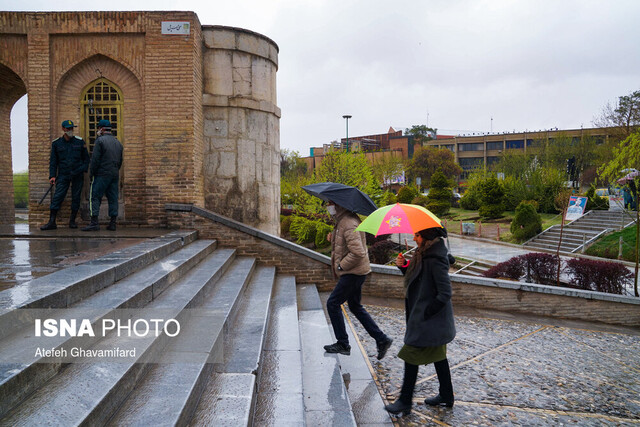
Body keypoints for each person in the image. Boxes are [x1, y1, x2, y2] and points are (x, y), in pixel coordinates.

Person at [385, 226, 456, 416]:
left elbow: (445, 293)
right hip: (429, 319)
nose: (414, 238)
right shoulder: (423, 254)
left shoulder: (435, 259)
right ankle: (447, 395)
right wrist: (403, 266)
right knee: (439, 356)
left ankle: (404, 401)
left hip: (430, 320)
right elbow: (418, 279)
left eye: (417, 235)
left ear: (427, 237)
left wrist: (426, 313)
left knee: (411, 354)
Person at [323, 201, 393, 359]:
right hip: (356, 272)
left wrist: (341, 266)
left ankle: (343, 343)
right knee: (355, 306)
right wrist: (333, 238)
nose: (328, 206)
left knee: (332, 303)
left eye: (329, 203)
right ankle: (382, 339)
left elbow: (358, 252)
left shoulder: (348, 223)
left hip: (353, 273)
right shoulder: (344, 221)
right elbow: (347, 245)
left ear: (338, 204)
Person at [40, 120, 89, 230]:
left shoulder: (80, 142)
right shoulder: (57, 143)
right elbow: (53, 162)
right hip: (63, 174)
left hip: (77, 174)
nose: (70, 130)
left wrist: (81, 170)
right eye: (67, 128)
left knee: (76, 198)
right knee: (58, 197)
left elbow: (86, 160)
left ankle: (72, 221)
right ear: (63, 129)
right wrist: (52, 176)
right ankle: (52, 222)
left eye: (71, 128)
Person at [82, 119, 123, 231]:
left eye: (98, 128)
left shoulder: (100, 141)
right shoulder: (118, 143)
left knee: (94, 196)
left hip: (101, 174)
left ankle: (94, 222)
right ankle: (113, 223)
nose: (98, 130)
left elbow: (95, 160)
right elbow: (120, 161)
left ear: (102, 129)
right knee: (113, 197)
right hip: (114, 174)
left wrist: (92, 173)